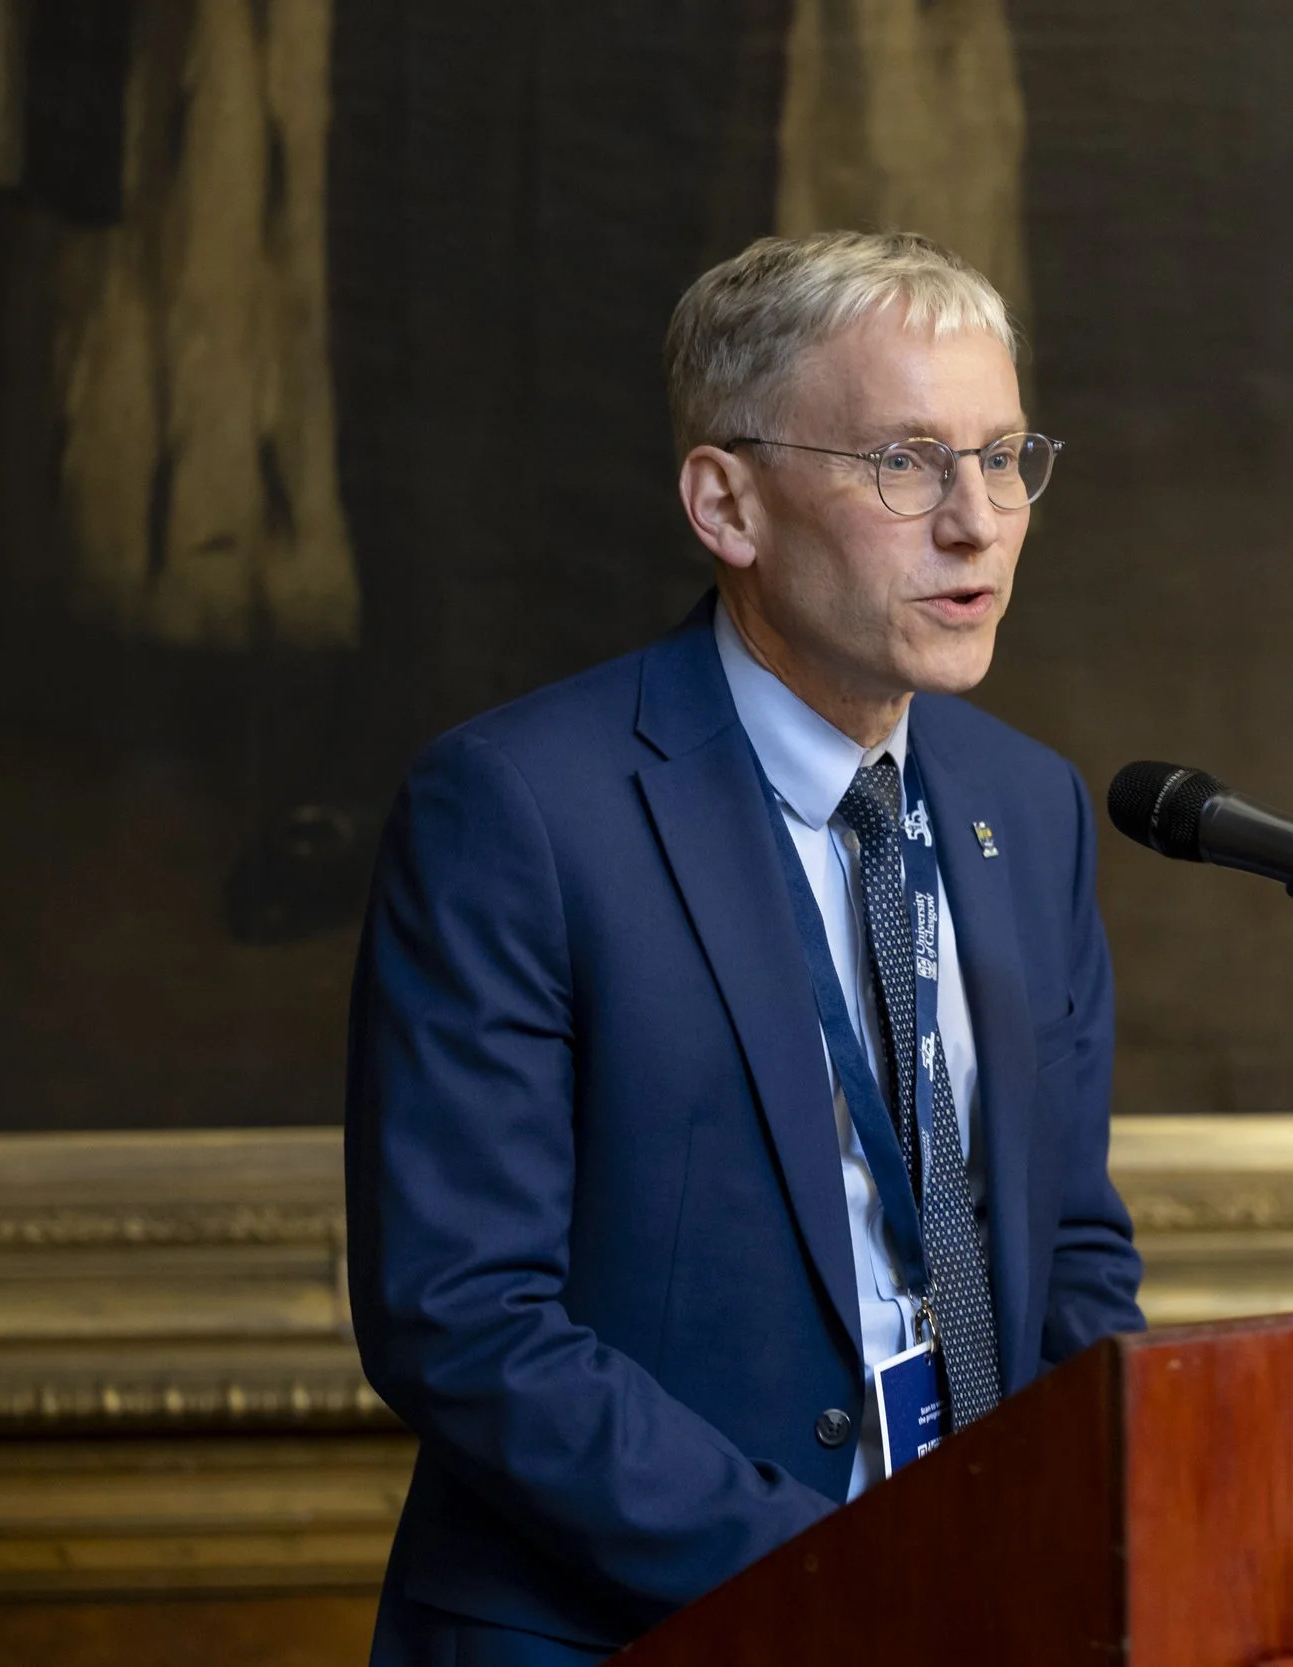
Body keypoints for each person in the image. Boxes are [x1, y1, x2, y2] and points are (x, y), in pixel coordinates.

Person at [345, 230, 1145, 1666]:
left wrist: (1069, 1553)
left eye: (1006, 454)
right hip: (627, 1627)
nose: (977, 520)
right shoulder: (520, 809)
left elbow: (1070, 1249)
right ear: (728, 502)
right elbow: (461, 1317)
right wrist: (843, 1582)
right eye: (907, 461)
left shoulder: (1028, 805)